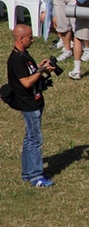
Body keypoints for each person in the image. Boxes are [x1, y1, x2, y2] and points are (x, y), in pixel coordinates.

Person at [5, 24, 57, 187]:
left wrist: (40, 67)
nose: (33, 40)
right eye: (30, 37)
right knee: (35, 139)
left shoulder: (23, 54)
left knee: (29, 138)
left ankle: (28, 173)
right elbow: (26, 82)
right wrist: (40, 72)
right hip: (29, 104)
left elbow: (30, 73)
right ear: (21, 39)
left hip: (34, 101)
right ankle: (36, 176)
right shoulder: (16, 59)